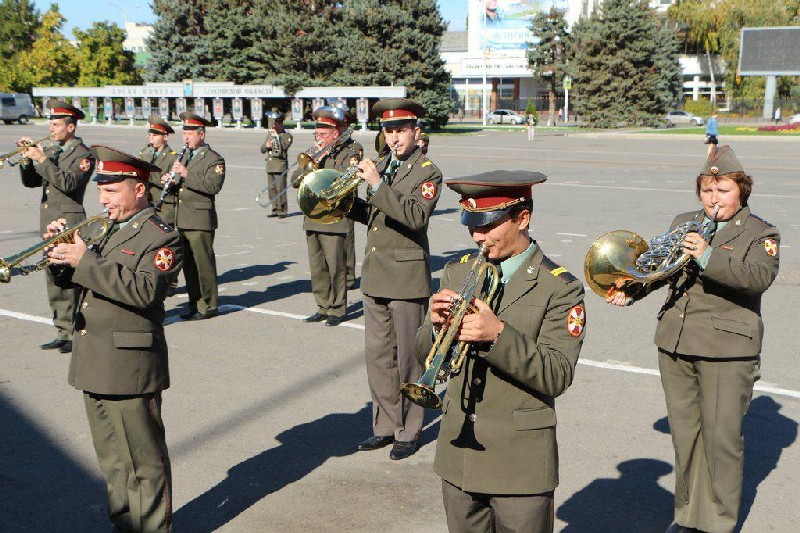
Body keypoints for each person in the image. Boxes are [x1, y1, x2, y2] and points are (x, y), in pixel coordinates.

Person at [606, 146, 780, 533]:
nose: (713, 200)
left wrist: (706, 256)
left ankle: (717, 521)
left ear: (742, 191)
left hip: (727, 349)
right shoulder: (685, 221)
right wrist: (631, 289)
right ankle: (687, 515)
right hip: (676, 341)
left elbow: (757, 278)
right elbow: (662, 269)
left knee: (720, 441)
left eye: (723, 191)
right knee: (686, 437)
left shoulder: (760, 232)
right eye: (706, 190)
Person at [415, 170, 586, 531]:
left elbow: (556, 374)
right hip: (459, 455)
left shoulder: (559, 289)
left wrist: (498, 335)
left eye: (488, 225)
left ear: (522, 218)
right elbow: (426, 355)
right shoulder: (455, 272)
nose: (478, 236)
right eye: (471, 225)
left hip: (519, 464)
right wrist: (434, 328)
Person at [46, 145, 181, 532]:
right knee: (113, 461)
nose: (103, 200)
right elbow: (77, 280)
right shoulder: (101, 228)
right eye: (100, 191)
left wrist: (83, 259)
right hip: (95, 358)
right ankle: (125, 526)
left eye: (111, 191)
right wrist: (60, 256)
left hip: (130, 362)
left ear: (138, 189)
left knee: (143, 463)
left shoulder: (161, 237)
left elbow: (144, 292)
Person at [351, 98, 442, 460]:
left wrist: (375, 184)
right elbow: (376, 216)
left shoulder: (427, 171)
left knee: (408, 359)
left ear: (416, 132)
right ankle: (385, 427)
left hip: (405, 277)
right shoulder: (385, 166)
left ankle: (409, 429)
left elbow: (414, 216)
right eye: (389, 131)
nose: (394, 137)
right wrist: (346, 205)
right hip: (375, 275)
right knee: (378, 358)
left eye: (401, 130)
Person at [17, 99, 95, 353]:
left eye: (57, 123)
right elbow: (31, 182)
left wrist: (41, 159)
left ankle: (76, 331)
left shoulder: (83, 155)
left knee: (69, 276)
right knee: (53, 276)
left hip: (68, 221)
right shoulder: (52, 150)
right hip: (49, 221)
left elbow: (69, 183)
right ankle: (62, 330)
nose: (51, 128)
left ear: (71, 126)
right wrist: (27, 161)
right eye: (50, 122)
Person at [293, 106, 362, 327]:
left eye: (323, 134)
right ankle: (322, 306)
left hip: (334, 216)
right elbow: (295, 181)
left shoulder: (351, 150)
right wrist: (310, 165)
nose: (318, 137)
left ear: (336, 131)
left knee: (336, 266)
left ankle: (337, 309)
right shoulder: (313, 151)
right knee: (317, 266)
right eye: (317, 133)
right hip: (312, 216)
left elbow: (345, 181)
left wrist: (322, 163)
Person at [172, 112, 225, 320]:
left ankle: (209, 305)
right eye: (184, 132)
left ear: (201, 134)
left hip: (200, 220)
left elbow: (212, 186)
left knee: (203, 264)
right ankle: (194, 303)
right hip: (183, 217)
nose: (185, 137)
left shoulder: (214, 159)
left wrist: (186, 174)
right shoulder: (184, 155)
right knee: (189, 266)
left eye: (190, 133)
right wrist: (173, 179)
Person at [140, 115, 180, 225]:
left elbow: (172, 181)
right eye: (150, 135)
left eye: (155, 135)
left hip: (163, 209)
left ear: (165, 137)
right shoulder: (145, 153)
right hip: (145, 206)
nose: (151, 138)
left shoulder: (173, 157)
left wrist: (149, 174)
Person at [260, 110, 293, 218]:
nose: (273, 125)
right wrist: (267, 145)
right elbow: (262, 149)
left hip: (280, 166)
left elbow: (283, 148)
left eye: (276, 123)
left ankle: (282, 210)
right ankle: (274, 209)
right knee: (272, 189)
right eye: (273, 123)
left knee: (280, 189)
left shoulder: (286, 135)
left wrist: (276, 138)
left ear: (280, 124)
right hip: (270, 166)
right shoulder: (270, 134)